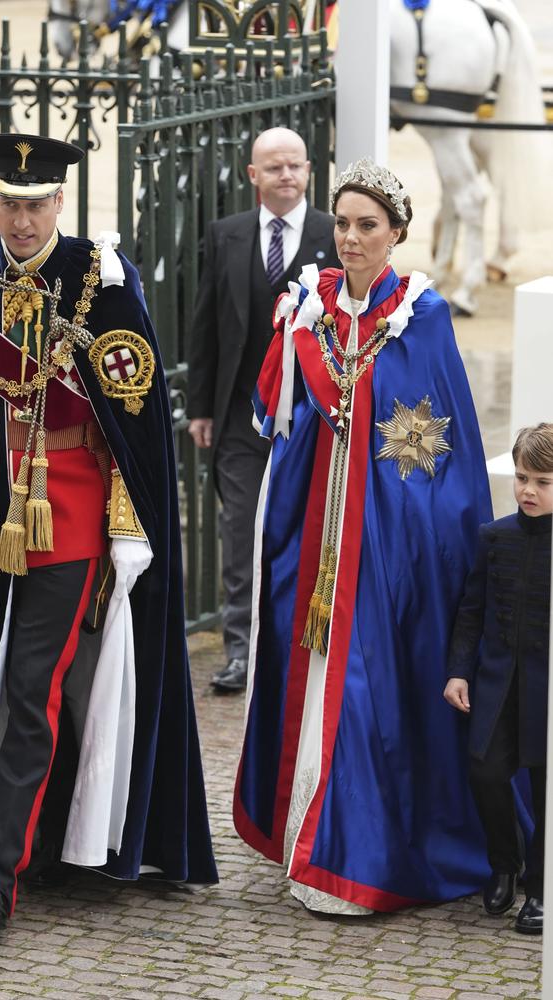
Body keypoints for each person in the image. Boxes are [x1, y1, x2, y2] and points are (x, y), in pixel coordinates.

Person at [0, 133, 217, 928]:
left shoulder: (101, 282)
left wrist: (126, 523)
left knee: (30, 690)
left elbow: (133, 418)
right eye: (8, 202)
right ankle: (27, 846)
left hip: (69, 513)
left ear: (59, 204)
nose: (20, 219)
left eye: (35, 204)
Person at [233, 156, 493, 913]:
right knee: (311, 672)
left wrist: (403, 540)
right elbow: (271, 412)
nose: (350, 238)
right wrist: (294, 340)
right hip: (312, 528)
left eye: (367, 227)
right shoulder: (307, 308)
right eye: (342, 224)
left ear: (397, 235)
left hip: (385, 540)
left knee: (370, 684)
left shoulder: (422, 315)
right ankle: (309, 834)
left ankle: (358, 854)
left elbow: (433, 451)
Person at [187, 127, 339, 693]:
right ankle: (239, 651)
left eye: (295, 166)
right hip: (238, 418)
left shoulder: (334, 234)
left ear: (307, 171)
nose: (286, 176)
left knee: (306, 529)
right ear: (254, 175)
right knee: (239, 531)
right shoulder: (225, 236)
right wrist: (201, 407)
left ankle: (298, 646)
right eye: (274, 168)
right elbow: (205, 327)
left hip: (312, 420)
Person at [445, 423, 552, 935]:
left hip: (547, 692)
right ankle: (504, 864)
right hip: (495, 684)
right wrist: (459, 672)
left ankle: (540, 889)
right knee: (485, 772)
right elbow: (471, 610)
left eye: (544, 482)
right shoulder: (494, 536)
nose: (529, 491)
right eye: (523, 479)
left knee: (546, 789)